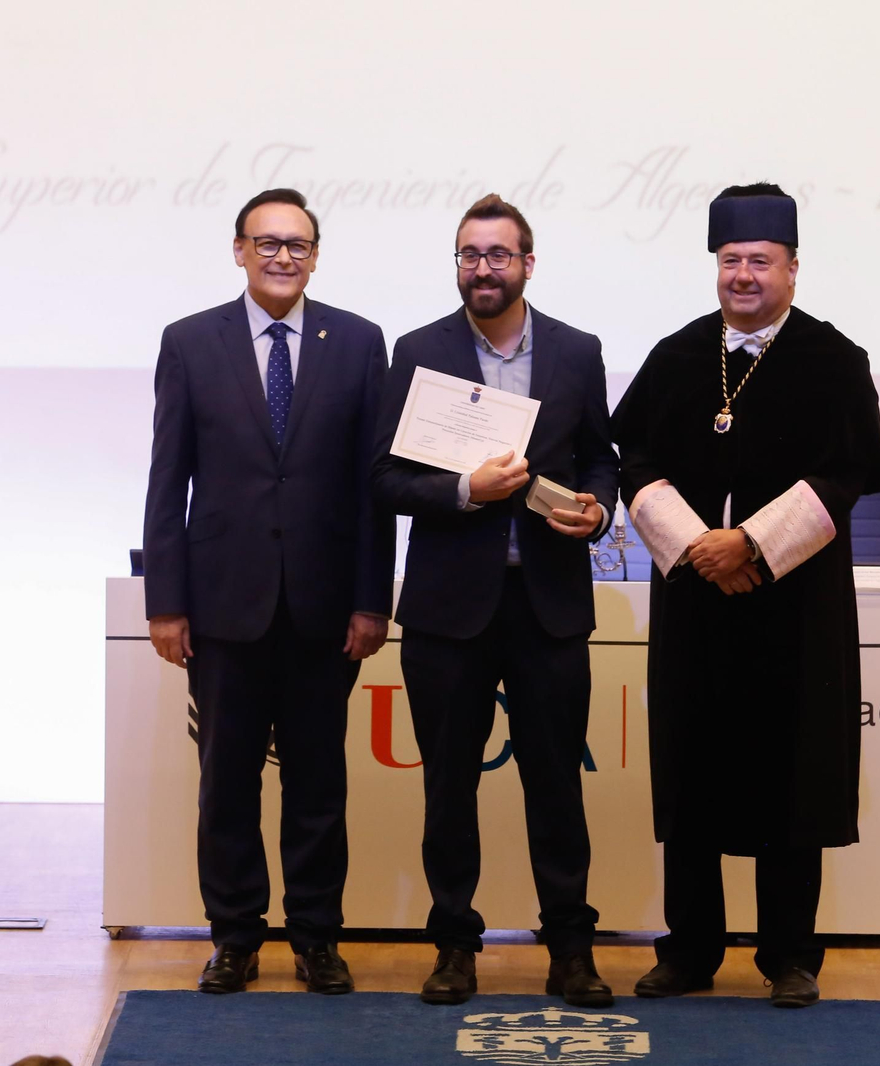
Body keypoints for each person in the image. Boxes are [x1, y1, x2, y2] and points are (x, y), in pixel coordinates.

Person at [610, 182, 880, 1007]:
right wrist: (701, 548)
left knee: (791, 772)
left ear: (793, 268)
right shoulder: (676, 357)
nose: (743, 275)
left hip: (794, 609)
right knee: (693, 773)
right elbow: (632, 459)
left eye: (760, 261)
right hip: (697, 602)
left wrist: (756, 547)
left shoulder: (834, 360)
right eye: (730, 260)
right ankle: (691, 949)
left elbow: (851, 472)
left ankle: (790, 955)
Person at [142, 187, 395, 995]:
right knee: (227, 784)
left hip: (325, 610)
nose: (283, 256)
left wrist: (371, 599)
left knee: (320, 782)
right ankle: (235, 936)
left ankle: (317, 936)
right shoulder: (189, 342)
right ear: (239, 249)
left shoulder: (358, 343)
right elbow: (167, 480)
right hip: (222, 607)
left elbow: (372, 487)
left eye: (298, 244)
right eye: (267, 242)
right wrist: (166, 602)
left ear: (316, 255)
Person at [372, 194, 619, 1007]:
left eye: (498, 255)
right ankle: (453, 947)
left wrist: (598, 505)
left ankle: (572, 951)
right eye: (469, 255)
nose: (484, 268)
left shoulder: (577, 352)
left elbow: (601, 459)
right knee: (449, 786)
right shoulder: (418, 350)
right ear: (458, 264)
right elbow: (384, 479)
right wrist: (466, 492)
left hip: (547, 606)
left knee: (557, 785)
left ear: (528, 264)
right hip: (448, 611)